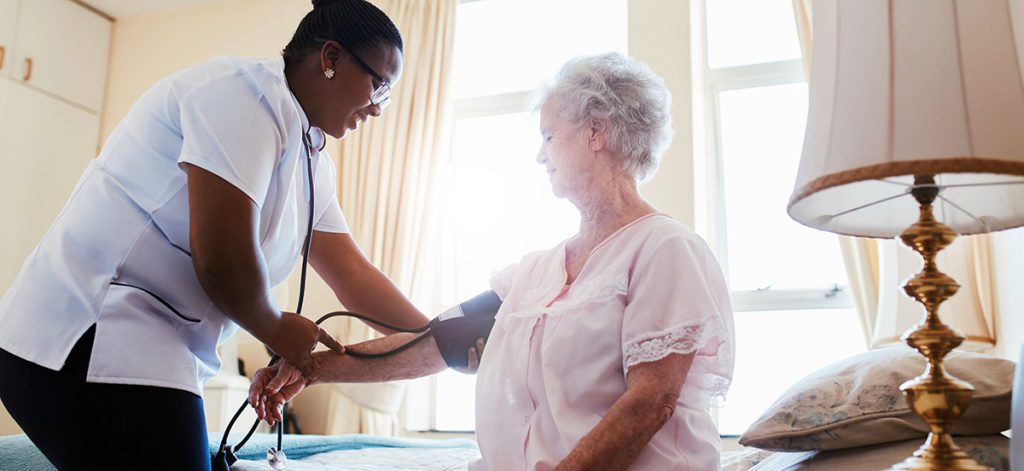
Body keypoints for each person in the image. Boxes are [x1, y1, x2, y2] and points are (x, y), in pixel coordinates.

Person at [250, 52, 736, 470]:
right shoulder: (533, 273)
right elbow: (433, 344)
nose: (540, 156)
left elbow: (651, 402)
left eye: (548, 135)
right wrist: (310, 369)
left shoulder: (665, 248)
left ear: (595, 131)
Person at [0, 1, 429, 469]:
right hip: (85, 334)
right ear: (331, 59)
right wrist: (276, 329)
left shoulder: (312, 160)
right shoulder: (242, 96)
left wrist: (441, 336)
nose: (377, 109)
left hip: (151, 347)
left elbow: (352, 274)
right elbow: (221, 262)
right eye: (379, 86)